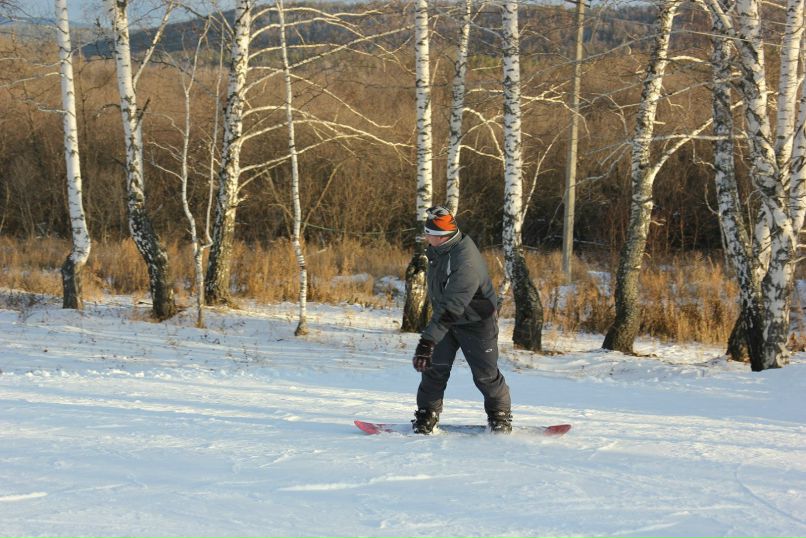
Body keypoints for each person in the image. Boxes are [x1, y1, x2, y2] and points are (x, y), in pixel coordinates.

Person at [411, 206, 512, 434]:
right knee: (434, 369)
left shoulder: (465, 262)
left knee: (485, 375)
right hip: (447, 320)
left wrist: (427, 341)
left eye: (430, 235)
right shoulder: (440, 249)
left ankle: (500, 416)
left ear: (443, 237)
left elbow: (451, 307)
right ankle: (427, 413)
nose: (426, 238)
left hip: (476, 322)